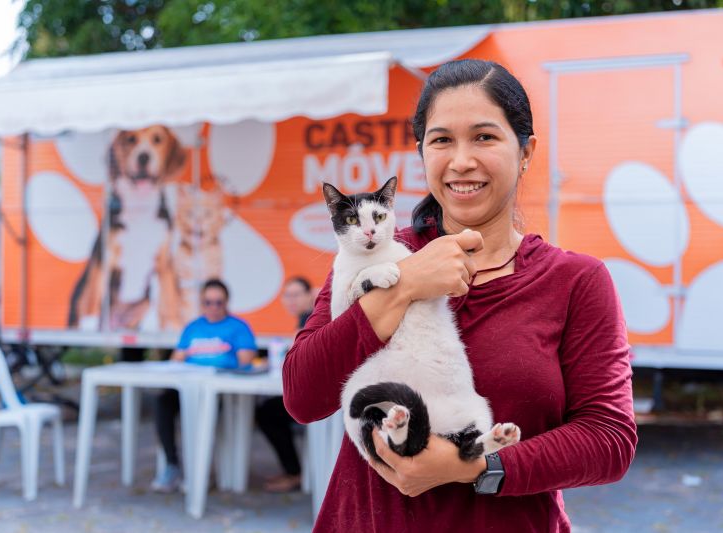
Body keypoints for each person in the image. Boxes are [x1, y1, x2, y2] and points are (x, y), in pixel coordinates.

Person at [282, 59, 637, 532]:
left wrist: (477, 467)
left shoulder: (575, 280)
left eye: (484, 137)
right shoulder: (373, 257)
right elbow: (303, 397)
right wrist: (406, 284)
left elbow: (609, 440)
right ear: (421, 153)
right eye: (442, 140)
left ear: (526, 151)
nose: (461, 160)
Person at [150, 278, 257, 493]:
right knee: (163, 403)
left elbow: (246, 360)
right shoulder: (193, 327)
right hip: (189, 387)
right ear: (202, 303)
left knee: (205, 415)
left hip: (219, 390)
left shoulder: (238, 327)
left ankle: (201, 472)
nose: (213, 307)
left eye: (218, 302)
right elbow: (176, 359)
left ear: (226, 302)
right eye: (208, 302)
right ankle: (172, 464)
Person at [255, 276, 315, 492]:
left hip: (318, 396)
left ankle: (294, 473)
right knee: (269, 411)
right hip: (312, 390)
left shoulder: (311, 320)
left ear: (310, 295)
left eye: (297, 294)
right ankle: (293, 471)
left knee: (267, 413)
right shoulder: (305, 319)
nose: (292, 300)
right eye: (287, 295)